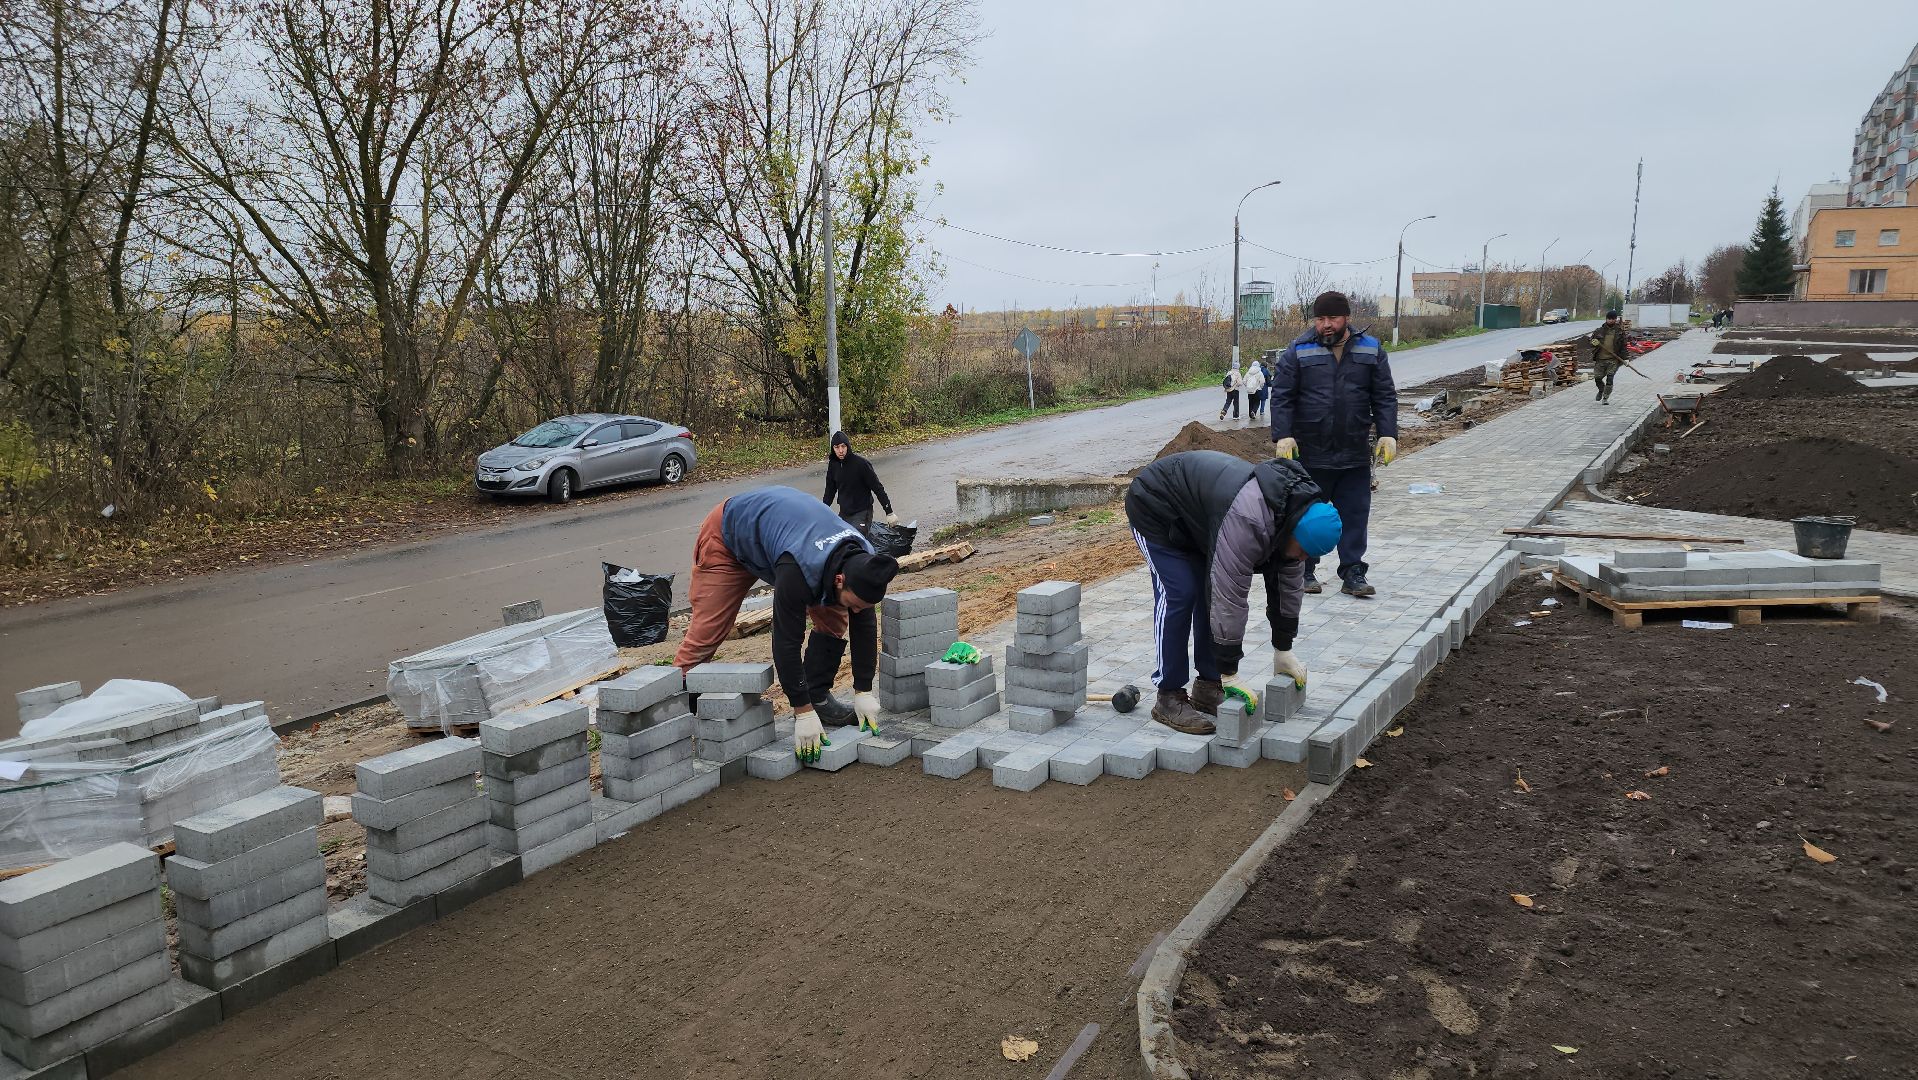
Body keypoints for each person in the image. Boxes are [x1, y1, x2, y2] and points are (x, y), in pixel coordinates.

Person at [674, 485, 898, 760]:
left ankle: (817, 696)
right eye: (854, 602)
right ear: (839, 580)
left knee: (835, 618)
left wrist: (863, 689)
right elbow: (786, 641)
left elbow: (863, 622)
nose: (857, 610)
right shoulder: (798, 571)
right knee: (706, 633)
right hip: (729, 537)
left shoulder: (863, 559)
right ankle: (675, 716)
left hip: (785, 539)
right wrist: (801, 712)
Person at [1125, 450, 1342, 734]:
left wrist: (1283, 649)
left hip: (1199, 520)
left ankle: (1207, 685)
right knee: (1181, 593)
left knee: (1208, 593)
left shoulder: (1296, 523)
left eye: (1309, 557)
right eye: (1302, 552)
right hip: (1157, 507)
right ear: (1294, 533)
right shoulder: (1249, 521)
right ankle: (1168, 695)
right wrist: (1231, 671)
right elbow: (1229, 597)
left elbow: (1288, 590)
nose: (1302, 560)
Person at [1268, 290, 1398, 599]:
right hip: (1311, 450)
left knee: (1355, 513)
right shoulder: (1299, 350)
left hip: (1354, 448)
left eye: (1333, 318)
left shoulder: (1371, 349)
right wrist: (1283, 434)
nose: (1326, 324)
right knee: (1308, 513)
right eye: (1321, 319)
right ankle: (1305, 569)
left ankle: (1353, 571)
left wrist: (1388, 432)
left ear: (1346, 318)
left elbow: (1384, 395)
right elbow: (1282, 395)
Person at [823, 431, 896, 536]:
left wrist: (889, 512)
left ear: (848, 446)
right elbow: (829, 491)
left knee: (855, 537)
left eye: (843, 446)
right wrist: (822, 511)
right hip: (845, 513)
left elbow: (878, 488)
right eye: (837, 447)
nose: (840, 451)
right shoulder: (833, 465)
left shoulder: (861, 464)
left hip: (862, 512)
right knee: (837, 539)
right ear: (833, 449)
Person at [1588, 309, 1631, 404]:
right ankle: (1601, 390)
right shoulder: (1599, 331)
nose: (1611, 320)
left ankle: (1605, 398)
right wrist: (1593, 342)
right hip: (1600, 359)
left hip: (1613, 360)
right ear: (1606, 319)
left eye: (1613, 319)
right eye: (1609, 319)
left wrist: (1626, 358)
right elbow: (1591, 341)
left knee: (1610, 378)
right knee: (1597, 378)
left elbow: (1624, 346)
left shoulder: (1620, 332)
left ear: (1616, 320)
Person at [1241, 357, 1267, 423]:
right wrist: (1260, 387)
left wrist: (1248, 386)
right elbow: (1262, 382)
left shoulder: (1248, 372)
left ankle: (1250, 414)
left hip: (1250, 390)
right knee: (1257, 402)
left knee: (1251, 402)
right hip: (1257, 390)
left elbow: (1244, 381)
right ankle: (1254, 412)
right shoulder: (1260, 372)